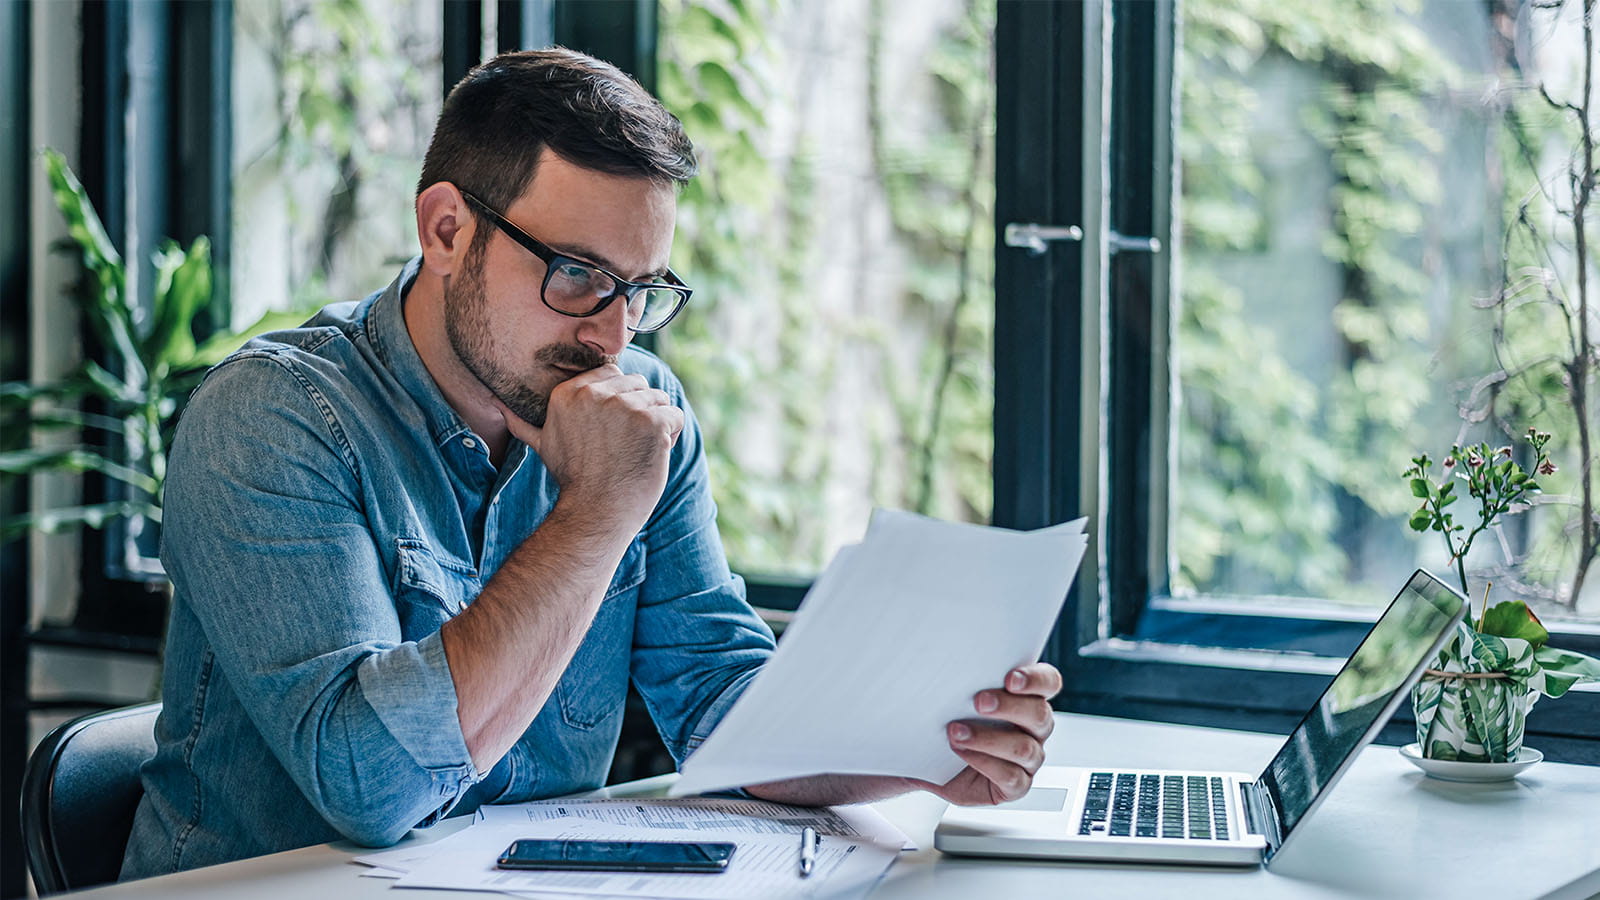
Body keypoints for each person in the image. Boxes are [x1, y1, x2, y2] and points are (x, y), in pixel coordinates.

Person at [121, 47, 1062, 879]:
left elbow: (719, 706)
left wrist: (932, 748)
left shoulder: (642, 410)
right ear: (447, 231)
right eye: (576, 275)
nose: (611, 334)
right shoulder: (275, 418)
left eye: (641, 290)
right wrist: (597, 510)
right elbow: (373, 787)